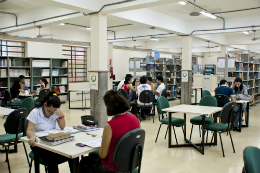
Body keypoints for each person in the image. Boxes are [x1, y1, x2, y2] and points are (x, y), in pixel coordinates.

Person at [78, 89, 140, 173]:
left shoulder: (110, 125)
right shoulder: (135, 118)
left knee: (84, 162)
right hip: (130, 164)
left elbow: (103, 155)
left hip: (112, 167)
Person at [26, 91, 71, 173]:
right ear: (45, 105)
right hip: (39, 144)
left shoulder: (55, 112)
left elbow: (62, 127)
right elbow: (29, 130)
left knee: (71, 152)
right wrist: (32, 137)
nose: (51, 114)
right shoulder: (35, 112)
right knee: (52, 158)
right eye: (49, 111)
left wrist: (61, 116)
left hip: (53, 142)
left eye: (53, 112)